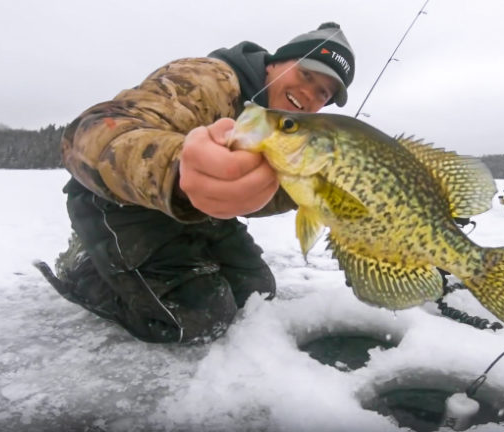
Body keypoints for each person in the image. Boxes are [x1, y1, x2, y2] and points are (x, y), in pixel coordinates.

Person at [35, 22, 356, 344]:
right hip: (118, 202)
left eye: (322, 93)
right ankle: (86, 270)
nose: (309, 93)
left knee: (257, 296)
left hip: (198, 214)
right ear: (273, 63)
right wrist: (178, 167)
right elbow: (91, 131)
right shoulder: (207, 80)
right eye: (306, 75)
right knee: (198, 318)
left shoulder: (283, 133)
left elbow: (257, 196)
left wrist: (322, 193)